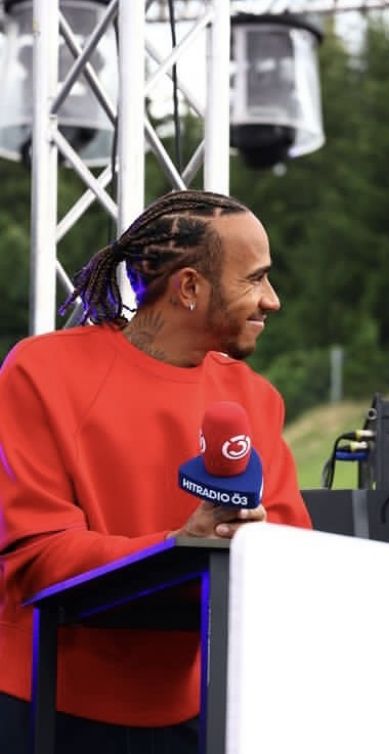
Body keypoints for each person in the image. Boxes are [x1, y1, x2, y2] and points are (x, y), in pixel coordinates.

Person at [0, 190, 312, 753]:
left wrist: (255, 542)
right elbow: (36, 557)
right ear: (189, 287)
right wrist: (177, 547)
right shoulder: (42, 371)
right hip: (43, 706)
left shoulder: (256, 399)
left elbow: (292, 558)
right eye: (255, 279)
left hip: (189, 717)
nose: (273, 300)